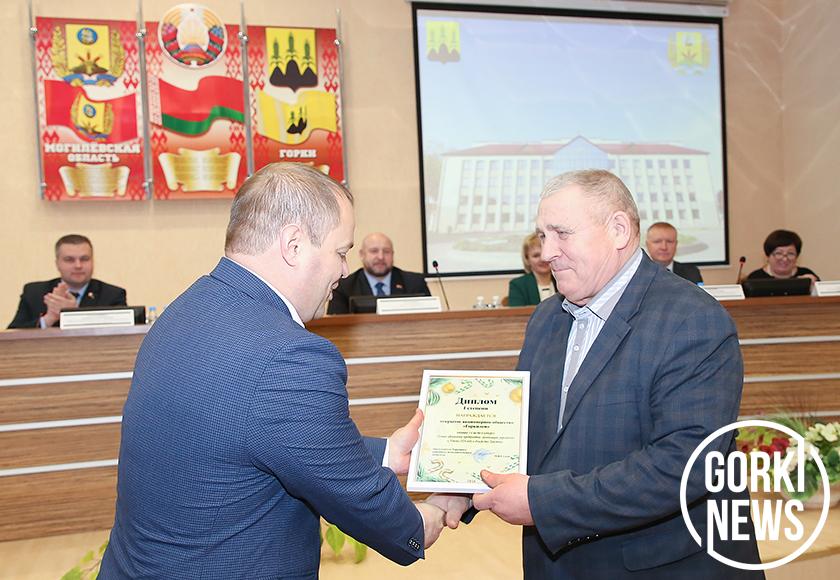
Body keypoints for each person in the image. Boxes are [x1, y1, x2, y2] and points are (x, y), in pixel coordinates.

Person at [100, 164, 446, 578]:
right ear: (294, 245)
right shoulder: (289, 355)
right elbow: (360, 500)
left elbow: (257, 434)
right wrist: (430, 515)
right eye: (340, 252)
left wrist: (388, 453)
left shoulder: (187, 309)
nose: (343, 271)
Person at [430, 169, 762, 579]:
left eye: (561, 234)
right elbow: (527, 431)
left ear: (618, 230)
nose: (547, 252)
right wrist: (462, 486)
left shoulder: (693, 319)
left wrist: (543, 502)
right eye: (542, 236)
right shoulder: (547, 318)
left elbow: (687, 464)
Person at [8, 234, 126, 329]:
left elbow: (122, 335)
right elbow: (12, 336)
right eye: (69, 260)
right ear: (57, 264)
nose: (78, 265)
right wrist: (50, 318)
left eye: (84, 259)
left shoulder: (113, 295)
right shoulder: (34, 293)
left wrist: (74, 314)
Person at [327, 232, 430, 314]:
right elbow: (334, 326)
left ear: (393, 254)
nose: (381, 257)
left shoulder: (415, 283)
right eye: (374, 251)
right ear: (362, 255)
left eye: (386, 251)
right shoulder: (343, 287)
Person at [746, 229, 819, 282]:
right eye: (778, 253)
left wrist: (814, 288)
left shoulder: (807, 276)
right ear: (768, 256)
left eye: (790, 254)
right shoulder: (755, 278)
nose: (785, 259)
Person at [508, 232, 558, 306]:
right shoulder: (517, 285)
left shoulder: (563, 281)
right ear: (527, 259)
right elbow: (517, 312)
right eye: (536, 255)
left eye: (545, 253)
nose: (542, 259)